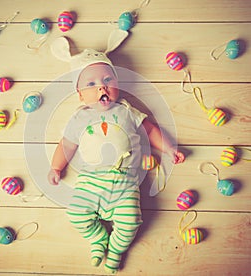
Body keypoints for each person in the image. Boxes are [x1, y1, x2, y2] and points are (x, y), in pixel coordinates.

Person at [47, 47, 185, 273]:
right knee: (75, 214)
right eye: (91, 84)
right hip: (90, 181)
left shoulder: (127, 111)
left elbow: (149, 131)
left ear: (117, 85)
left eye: (107, 79)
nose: (101, 86)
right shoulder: (79, 117)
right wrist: (56, 167)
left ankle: (116, 250)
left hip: (126, 183)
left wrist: (168, 148)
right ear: (80, 95)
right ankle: (98, 238)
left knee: (130, 222)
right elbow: (66, 145)